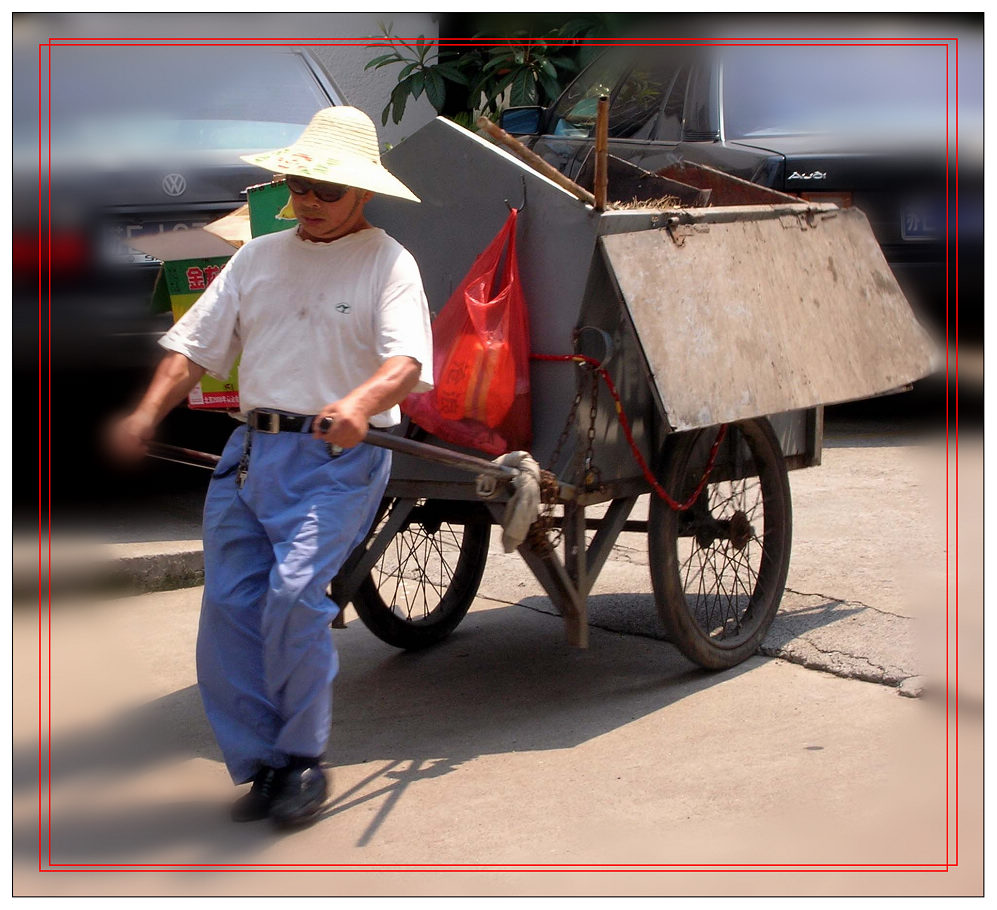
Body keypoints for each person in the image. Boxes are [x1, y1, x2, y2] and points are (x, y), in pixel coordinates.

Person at [108, 107, 433, 828]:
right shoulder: (256, 257)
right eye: (301, 185)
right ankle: (259, 764)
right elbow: (192, 347)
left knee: (292, 599)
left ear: (363, 195)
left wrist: (359, 401)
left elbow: (406, 362)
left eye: (328, 190)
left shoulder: (387, 262)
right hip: (252, 454)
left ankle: (301, 760)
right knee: (227, 611)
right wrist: (144, 414)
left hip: (341, 458)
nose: (310, 202)